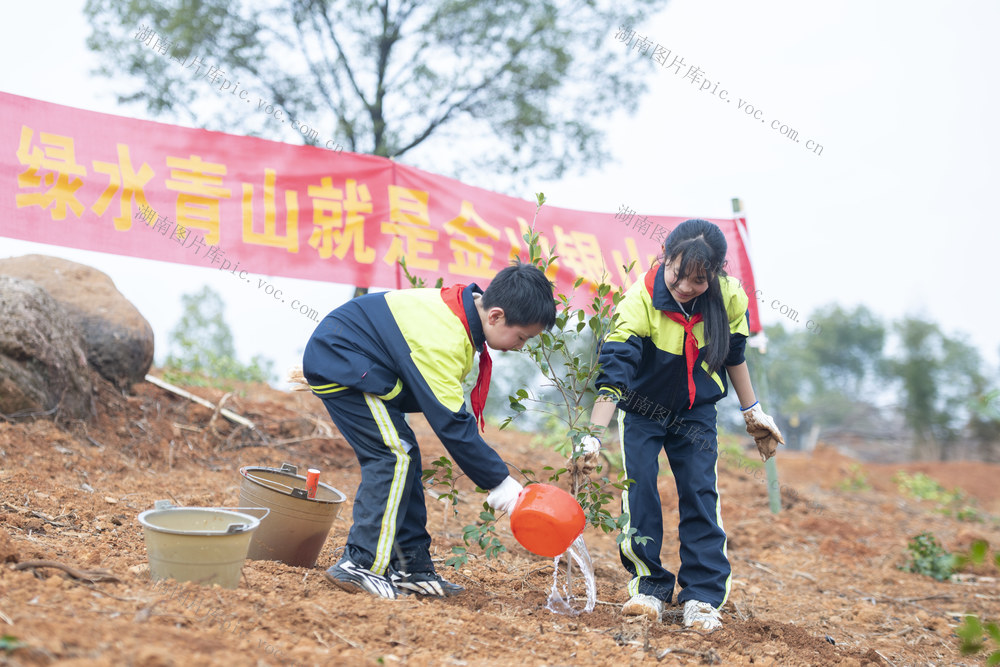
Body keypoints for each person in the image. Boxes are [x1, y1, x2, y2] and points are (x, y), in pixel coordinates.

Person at [302, 262, 556, 599]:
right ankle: (359, 564)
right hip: (343, 363)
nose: (521, 345)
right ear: (494, 316)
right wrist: (501, 483)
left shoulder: (462, 316)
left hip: (362, 367)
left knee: (404, 455)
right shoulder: (445, 336)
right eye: (522, 337)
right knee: (394, 457)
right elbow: (451, 422)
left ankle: (411, 568)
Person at [578, 219, 783, 631]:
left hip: (696, 414)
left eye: (699, 280)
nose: (686, 287)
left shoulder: (728, 298)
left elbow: (733, 356)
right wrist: (592, 435)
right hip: (642, 410)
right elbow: (615, 372)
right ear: (665, 258)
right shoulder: (639, 300)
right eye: (678, 275)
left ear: (716, 273)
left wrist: (752, 411)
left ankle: (702, 597)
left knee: (700, 494)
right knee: (640, 491)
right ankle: (649, 588)